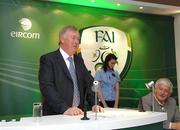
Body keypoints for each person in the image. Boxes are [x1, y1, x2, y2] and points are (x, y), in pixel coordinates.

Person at [39, 25, 104, 116]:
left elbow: (89, 84)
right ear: (62, 39)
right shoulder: (48, 59)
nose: (77, 42)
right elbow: (47, 88)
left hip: (78, 114)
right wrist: (65, 109)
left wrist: (94, 104)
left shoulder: (79, 60)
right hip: (56, 115)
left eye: (78, 39)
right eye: (73, 38)